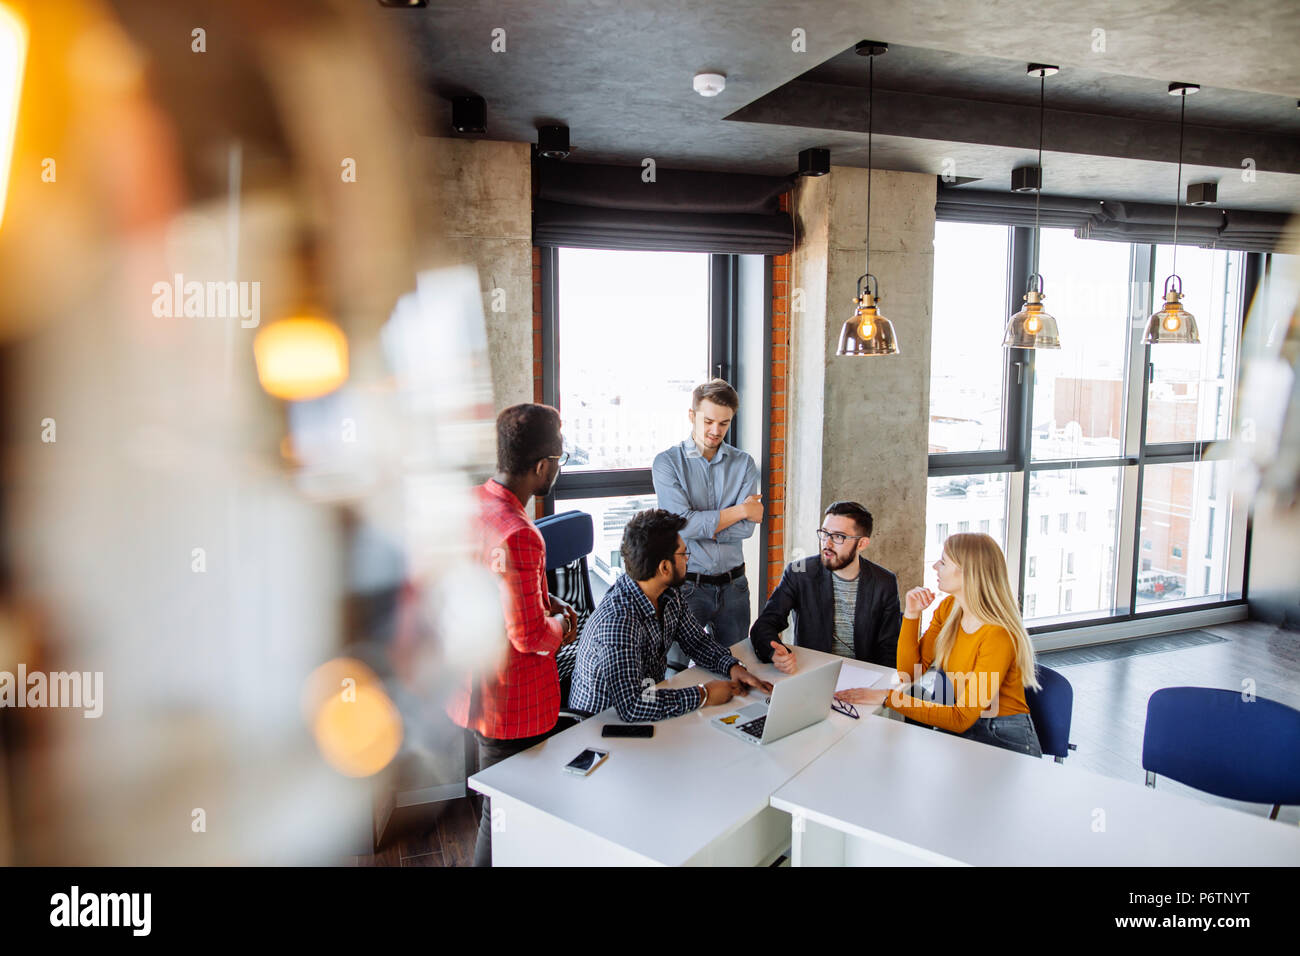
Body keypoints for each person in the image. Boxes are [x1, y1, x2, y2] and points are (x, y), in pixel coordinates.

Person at [445, 403, 580, 866]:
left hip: (473, 685)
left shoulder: (472, 503)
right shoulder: (519, 532)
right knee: (502, 816)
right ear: (542, 467)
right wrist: (560, 625)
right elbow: (528, 637)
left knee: (498, 809)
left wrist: (544, 600)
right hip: (513, 703)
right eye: (559, 463)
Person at [836, 532, 1043, 757]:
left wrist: (887, 697)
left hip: (1002, 737)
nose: (935, 566)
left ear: (967, 572)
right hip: (959, 724)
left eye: (943, 562)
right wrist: (912, 614)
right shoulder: (950, 609)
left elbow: (961, 718)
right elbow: (908, 673)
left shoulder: (997, 635)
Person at [570, 509, 772, 721]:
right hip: (600, 729)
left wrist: (732, 667)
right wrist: (704, 694)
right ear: (664, 567)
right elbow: (632, 706)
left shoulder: (669, 593)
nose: (688, 560)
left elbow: (696, 642)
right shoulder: (618, 622)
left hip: (648, 713)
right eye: (684, 554)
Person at [651, 379, 761, 669]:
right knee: (673, 669)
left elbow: (746, 529)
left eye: (724, 423)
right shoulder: (667, 463)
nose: (715, 431)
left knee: (736, 668)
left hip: (734, 587)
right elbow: (681, 525)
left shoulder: (745, 464)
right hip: (686, 588)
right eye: (708, 421)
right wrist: (739, 510)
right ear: (692, 416)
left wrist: (702, 524)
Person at [750, 501, 901, 673]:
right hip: (813, 674)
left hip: (863, 677)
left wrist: (879, 689)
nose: (827, 544)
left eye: (838, 537)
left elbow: (889, 649)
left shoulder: (884, 582)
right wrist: (774, 653)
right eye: (824, 533)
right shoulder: (799, 574)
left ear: (862, 544)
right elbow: (764, 625)